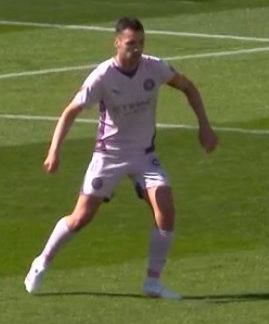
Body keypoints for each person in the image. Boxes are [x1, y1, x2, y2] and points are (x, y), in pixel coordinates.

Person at [24, 16, 219, 299]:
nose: (136, 49)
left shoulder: (154, 67)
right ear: (117, 43)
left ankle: (153, 282)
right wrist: (54, 151)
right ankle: (41, 262)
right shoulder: (103, 76)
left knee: (166, 209)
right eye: (130, 43)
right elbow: (70, 112)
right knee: (81, 218)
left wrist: (205, 126)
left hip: (144, 155)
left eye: (140, 43)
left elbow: (188, 87)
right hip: (109, 155)